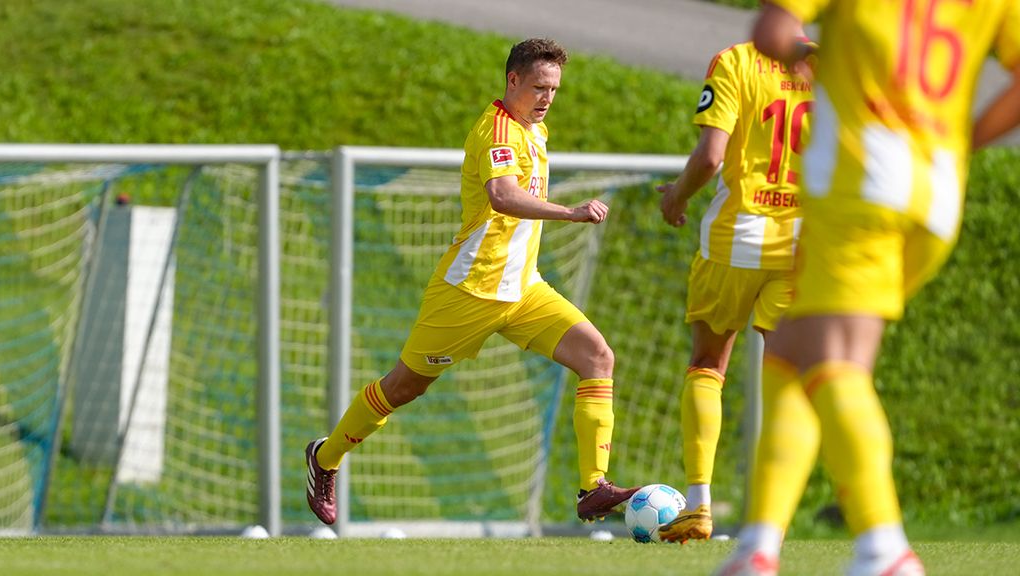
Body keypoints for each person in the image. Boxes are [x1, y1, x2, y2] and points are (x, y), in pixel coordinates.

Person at [715, 1, 1020, 574]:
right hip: (936, 191)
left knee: (835, 363)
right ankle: (757, 545)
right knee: (790, 354)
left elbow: (773, 31)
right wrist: (966, 140)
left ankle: (885, 550)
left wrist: (813, 57)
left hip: (861, 184)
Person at [304, 37, 639, 527]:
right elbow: (502, 197)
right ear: (513, 80)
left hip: (524, 290)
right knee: (403, 387)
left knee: (598, 357)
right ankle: (325, 457)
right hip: (469, 292)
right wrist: (570, 211)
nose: (547, 98)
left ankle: (594, 487)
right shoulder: (497, 132)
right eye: (540, 87)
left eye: (554, 89)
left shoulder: (535, 131)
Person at [654, 24, 814, 544]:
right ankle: (772, 516)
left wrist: (676, 197)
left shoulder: (735, 61)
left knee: (707, 366)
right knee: (787, 382)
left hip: (735, 240)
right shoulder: (826, 66)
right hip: (800, 246)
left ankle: (699, 506)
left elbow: (709, 157)